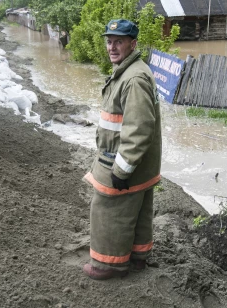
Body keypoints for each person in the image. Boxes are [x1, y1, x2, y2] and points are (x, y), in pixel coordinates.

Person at [82, 19, 162, 280]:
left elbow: (138, 130)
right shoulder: (130, 71)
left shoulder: (134, 78)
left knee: (107, 210)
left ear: (133, 44)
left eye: (118, 42)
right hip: (139, 165)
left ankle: (107, 266)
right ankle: (137, 259)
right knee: (137, 212)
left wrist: (122, 169)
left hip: (122, 163)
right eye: (109, 41)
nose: (112, 47)